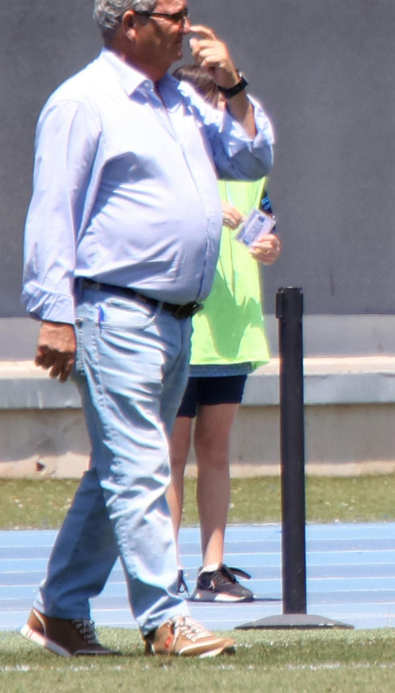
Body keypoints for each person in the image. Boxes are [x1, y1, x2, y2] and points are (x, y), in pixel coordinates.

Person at [20, 0, 273, 658]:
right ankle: (165, 616)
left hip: (174, 316)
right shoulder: (84, 102)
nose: (188, 29)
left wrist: (233, 84)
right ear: (130, 23)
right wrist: (55, 312)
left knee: (118, 472)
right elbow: (53, 211)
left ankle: (59, 611)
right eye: (174, 16)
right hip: (112, 310)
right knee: (141, 468)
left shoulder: (183, 100)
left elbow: (252, 159)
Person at [165, 64, 282, 604]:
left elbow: (263, 222)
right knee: (172, 452)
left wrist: (267, 243)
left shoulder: (247, 159)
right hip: (184, 321)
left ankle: (213, 568)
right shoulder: (171, 161)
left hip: (233, 327)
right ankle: (167, 568)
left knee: (216, 449)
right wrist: (206, 210)